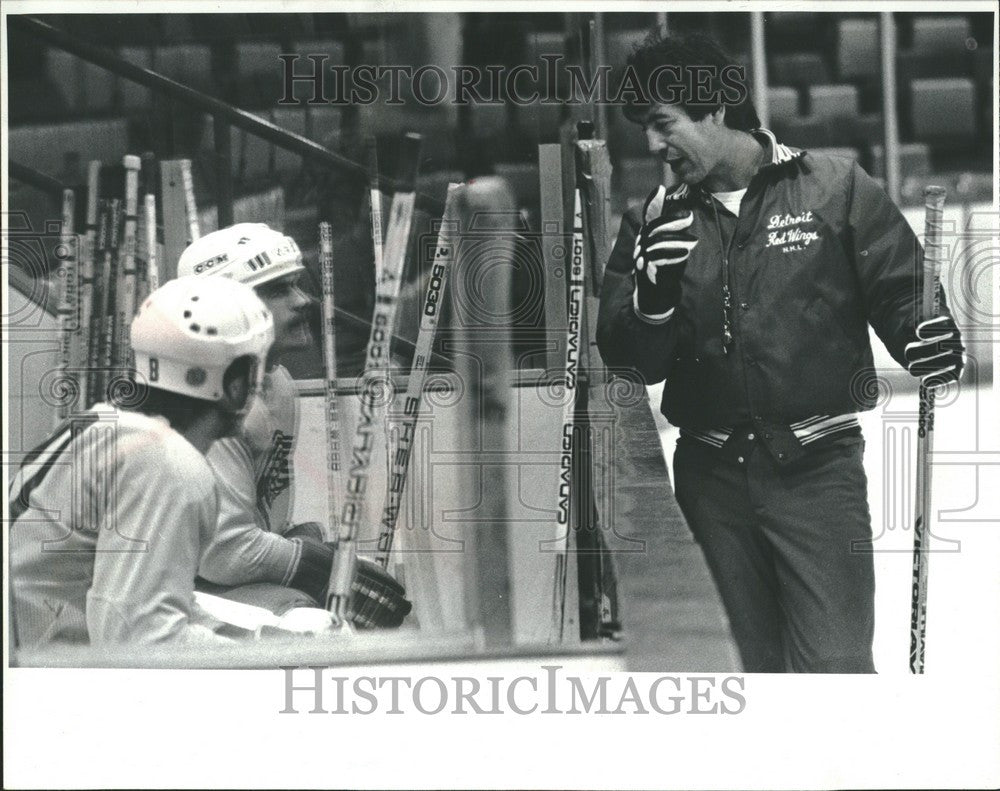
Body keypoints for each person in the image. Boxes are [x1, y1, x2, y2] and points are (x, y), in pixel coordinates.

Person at [596, 31, 965, 672]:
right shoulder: (650, 219)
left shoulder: (834, 187)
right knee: (740, 673)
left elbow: (902, 296)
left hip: (818, 473)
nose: (652, 146)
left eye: (662, 124)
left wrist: (929, 341)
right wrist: (651, 303)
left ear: (713, 109)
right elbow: (629, 364)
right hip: (711, 484)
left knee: (836, 670)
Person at [10, 276, 274, 648]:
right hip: (41, 680)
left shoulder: (106, 422)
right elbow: (139, 639)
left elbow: (144, 604)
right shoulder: (168, 463)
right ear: (232, 381)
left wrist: (260, 637)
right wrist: (266, 656)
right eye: (256, 368)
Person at [176, 223, 411, 628]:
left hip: (208, 581)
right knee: (317, 626)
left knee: (377, 605)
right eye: (278, 290)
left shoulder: (277, 385)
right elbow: (224, 555)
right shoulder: (206, 401)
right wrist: (318, 564)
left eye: (297, 285)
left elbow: (263, 521)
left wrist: (309, 544)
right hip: (162, 594)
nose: (303, 301)